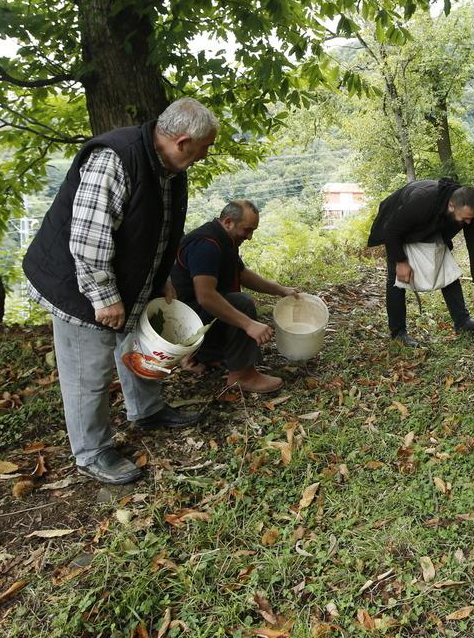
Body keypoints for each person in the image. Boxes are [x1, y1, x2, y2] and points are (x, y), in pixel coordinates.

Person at [23, 97, 219, 486]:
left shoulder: (170, 168)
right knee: (87, 372)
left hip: (129, 278)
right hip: (77, 284)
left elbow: (157, 229)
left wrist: (160, 275)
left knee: (138, 346)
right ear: (182, 141)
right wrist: (104, 297)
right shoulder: (116, 159)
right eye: (205, 147)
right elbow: (89, 241)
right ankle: (92, 452)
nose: (206, 155)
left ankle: (146, 410)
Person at [171, 199, 299, 394]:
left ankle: (208, 355)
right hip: (185, 323)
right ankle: (242, 376)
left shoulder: (225, 239)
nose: (250, 237)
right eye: (247, 230)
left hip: (198, 318)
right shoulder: (206, 245)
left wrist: (281, 290)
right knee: (241, 304)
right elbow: (206, 297)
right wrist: (249, 324)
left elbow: (242, 274)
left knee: (236, 303)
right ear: (228, 222)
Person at [367, 179, 474, 347]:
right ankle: (398, 332)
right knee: (396, 278)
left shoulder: (468, 211)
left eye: (471, 218)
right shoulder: (422, 201)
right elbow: (392, 229)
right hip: (396, 225)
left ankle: (462, 322)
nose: (468, 222)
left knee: (446, 267)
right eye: (465, 218)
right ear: (452, 206)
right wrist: (401, 261)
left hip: (430, 224)